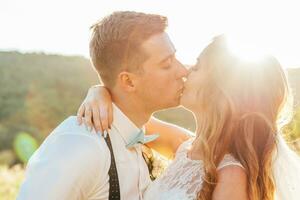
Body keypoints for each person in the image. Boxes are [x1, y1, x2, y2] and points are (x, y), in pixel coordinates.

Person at [78, 35, 300, 199]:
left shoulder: (231, 176)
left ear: (220, 89)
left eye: (197, 67)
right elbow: (130, 117)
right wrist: (99, 91)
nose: (185, 71)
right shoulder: (186, 147)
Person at [17, 11, 189, 200]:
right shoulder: (80, 145)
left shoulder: (135, 134)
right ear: (129, 82)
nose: (183, 70)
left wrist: (102, 90)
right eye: (167, 63)